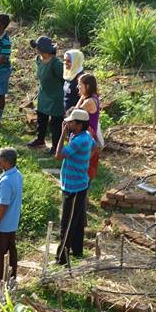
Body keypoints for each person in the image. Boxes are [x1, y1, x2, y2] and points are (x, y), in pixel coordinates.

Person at [55, 108, 95, 265]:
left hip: (74, 189)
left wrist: (62, 134)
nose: (68, 123)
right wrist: (83, 160)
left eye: (71, 122)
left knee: (67, 223)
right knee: (77, 220)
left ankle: (61, 258)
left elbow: (58, 155)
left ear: (79, 124)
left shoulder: (79, 140)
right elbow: (95, 146)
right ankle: (77, 250)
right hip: (79, 184)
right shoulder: (83, 136)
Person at [0, 147, 23, 292]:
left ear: (5, 161)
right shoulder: (16, 175)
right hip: (11, 223)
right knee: (10, 252)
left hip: (1, 225)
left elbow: (3, 204)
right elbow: (0, 192)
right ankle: (10, 279)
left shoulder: (6, 181)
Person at [27, 36, 64, 154]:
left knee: (55, 123)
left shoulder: (56, 64)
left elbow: (64, 79)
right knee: (41, 117)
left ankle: (55, 147)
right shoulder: (39, 59)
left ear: (43, 50)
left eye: (37, 48)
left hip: (56, 96)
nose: (36, 50)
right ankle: (40, 140)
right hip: (44, 93)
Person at [76, 72, 102, 180]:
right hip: (90, 134)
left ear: (87, 86)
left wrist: (82, 98)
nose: (78, 87)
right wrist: (82, 96)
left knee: (84, 164)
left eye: (80, 85)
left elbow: (74, 114)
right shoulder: (92, 97)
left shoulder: (89, 101)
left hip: (87, 136)